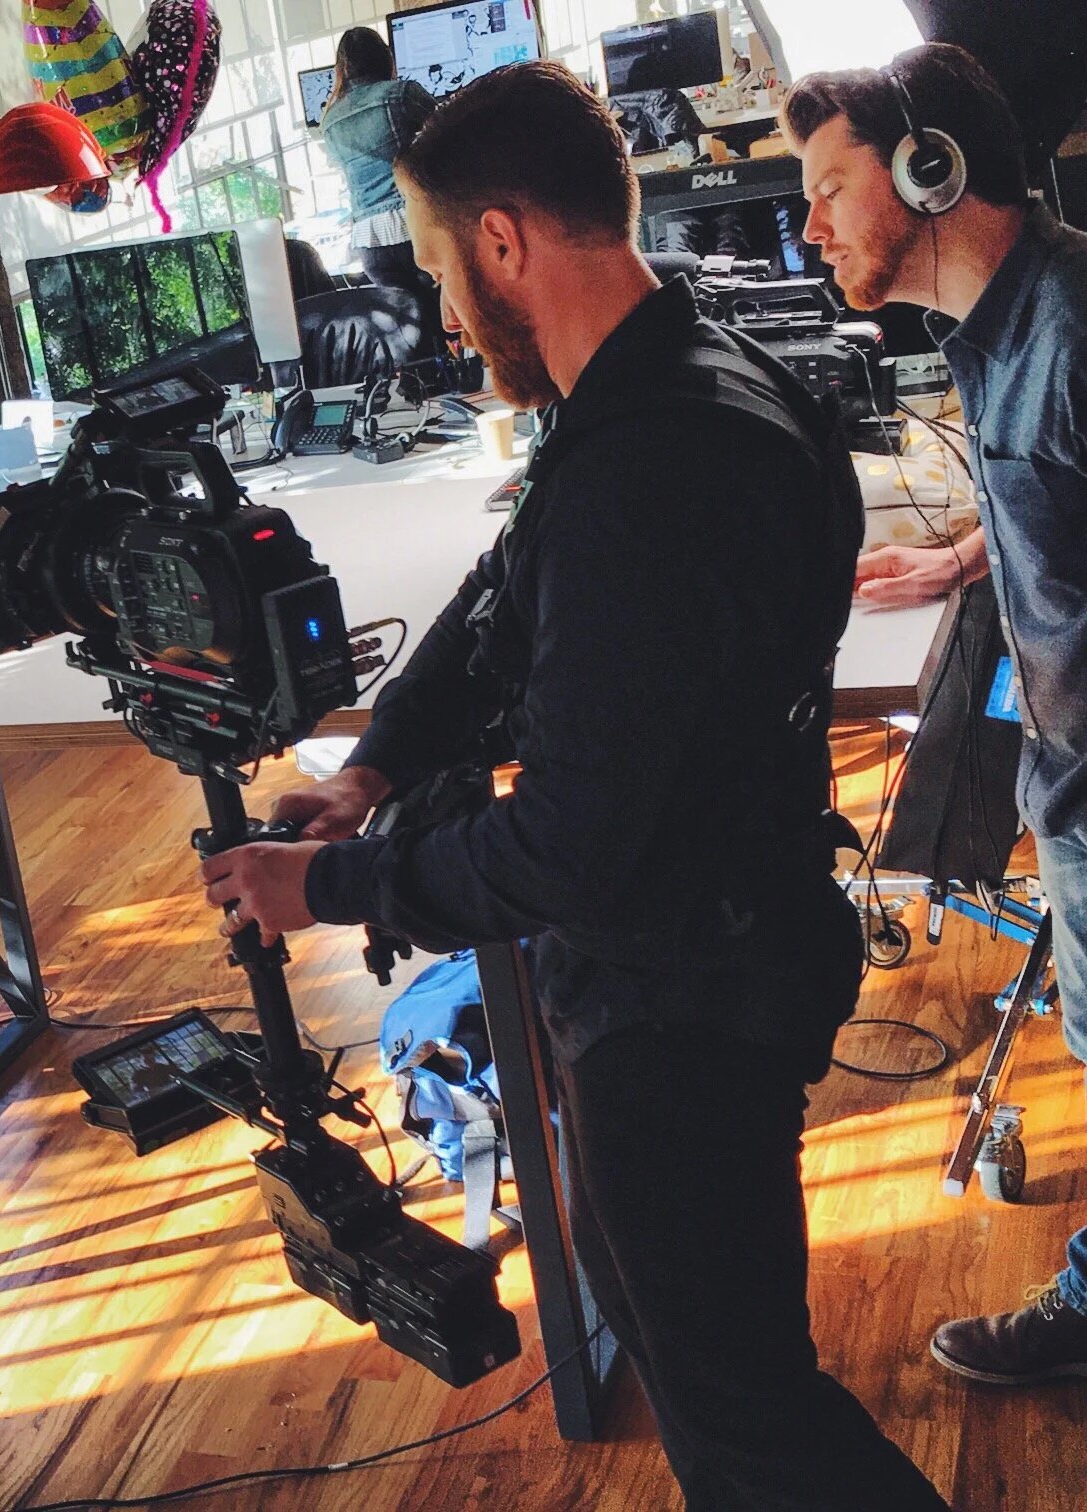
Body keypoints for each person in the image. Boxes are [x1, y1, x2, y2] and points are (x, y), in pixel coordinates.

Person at [199, 63, 950, 1509]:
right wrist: (376, 767)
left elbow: (567, 847)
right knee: (697, 1355)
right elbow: (501, 596)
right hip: (709, 950)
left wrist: (330, 888)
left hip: (683, 1001)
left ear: (502, 242)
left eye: (439, 268)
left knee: (750, 1424)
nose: (441, 310)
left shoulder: (649, 475)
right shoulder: (677, 383)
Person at [784, 42, 1087, 1387]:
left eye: (828, 187)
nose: (811, 226)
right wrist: (969, 554)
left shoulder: (1072, 328)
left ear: (929, 170)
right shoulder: (1003, 326)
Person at [319, 27, 437, 302]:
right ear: (385, 57)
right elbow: (448, 137)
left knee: (409, 323)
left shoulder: (329, 121)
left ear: (342, 68)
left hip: (370, 243)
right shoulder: (402, 94)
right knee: (448, 314)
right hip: (414, 223)